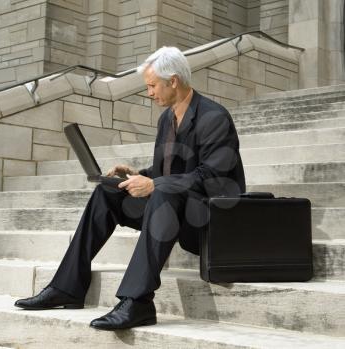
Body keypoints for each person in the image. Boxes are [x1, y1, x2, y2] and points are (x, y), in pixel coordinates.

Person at [15, 46, 246, 330]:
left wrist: (155, 184)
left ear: (173, 81)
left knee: (162, 192)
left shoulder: (214, 117)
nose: (149, 92)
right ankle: (67, 287)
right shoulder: (167, 119)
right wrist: (139, 174)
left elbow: (212, 177)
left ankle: (138, 302)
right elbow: (169, 172)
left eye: (152, 85)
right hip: (174, 209)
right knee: (107, 192)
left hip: (209, 220)